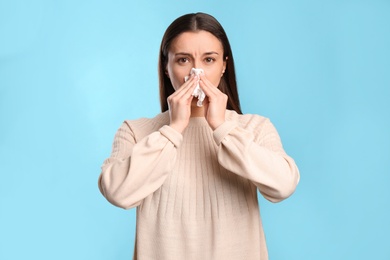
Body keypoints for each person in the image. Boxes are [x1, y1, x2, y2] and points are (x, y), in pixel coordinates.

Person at [98, 12, 300, 260]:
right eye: (183, 60)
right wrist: (173, 130)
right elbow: (117, 192)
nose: (196, 74)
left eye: (209, 60)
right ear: (166, 66)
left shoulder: (253, 128)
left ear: (224, 65)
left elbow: (283, 185)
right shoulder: (136, 131)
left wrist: (222, 127)